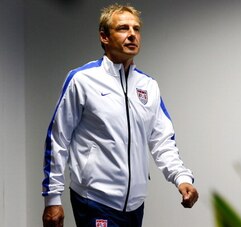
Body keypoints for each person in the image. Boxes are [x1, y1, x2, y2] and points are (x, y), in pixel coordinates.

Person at [42, 3, 198, 227]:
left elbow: (162, 140)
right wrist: (52, 198)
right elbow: (58, 138)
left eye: (136, 29)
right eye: (123, 28)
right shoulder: (82, 80)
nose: (132, 34)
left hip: (135, 204)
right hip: (94, 199)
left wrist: (181, 178)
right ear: (104, 37)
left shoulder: (148, 86)